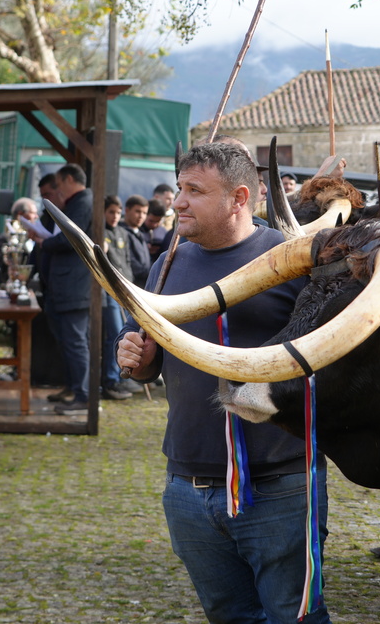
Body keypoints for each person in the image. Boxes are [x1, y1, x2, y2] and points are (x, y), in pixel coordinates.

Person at [116, 142, 331, 624]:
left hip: (280, 484)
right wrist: (134, 354)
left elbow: (333, 358)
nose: (177, 202)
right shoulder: (167, 263)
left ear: (238, 198)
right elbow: (144, 351)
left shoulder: (294, 260)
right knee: (228, 616)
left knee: (295, 617)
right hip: (187, 486)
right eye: (178, 189)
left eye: (194, 190)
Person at [33, 163, 93, 413]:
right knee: (67, 341)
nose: (57, 191)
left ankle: (83, 395)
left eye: (58, 185)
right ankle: (72, 387)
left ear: (69, 180)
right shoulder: (76, 203)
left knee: (75, 342)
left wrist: (43, 242)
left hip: (75, 287)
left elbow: (71, 237)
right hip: (63, 287)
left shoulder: (83, 202)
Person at [101, 195, 133, 401]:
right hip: (110, 291)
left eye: (118, 212)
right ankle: (110, 381)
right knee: (115, 334)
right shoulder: (100, 232)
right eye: (111, 211)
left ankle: (123, 377)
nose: (115, 216)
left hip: (127, 291)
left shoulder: (123, 232)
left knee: (128, 333)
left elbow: (127, 262)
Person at [120, 194, 151, 287]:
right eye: (138, 211)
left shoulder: (140, 233)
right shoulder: (121, 233)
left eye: (145, 213)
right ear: (127, 210)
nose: (141, 216)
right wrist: (152, 273)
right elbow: (131, 262)